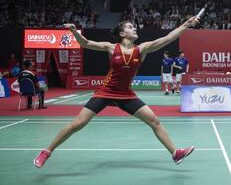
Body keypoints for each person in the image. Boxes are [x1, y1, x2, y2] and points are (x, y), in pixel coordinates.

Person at [33, 17, 199, 168]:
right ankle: (46, 152)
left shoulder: (142, 49)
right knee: (77, 124)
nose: (135, 29)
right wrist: (74, 31)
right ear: (122, 33)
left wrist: (186, 25)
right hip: (106, 91)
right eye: (130, 27)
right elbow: (85, 43)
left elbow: (168, 38)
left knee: (154, 121)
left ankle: (175, 153)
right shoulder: (111, 48)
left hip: (126, 94)